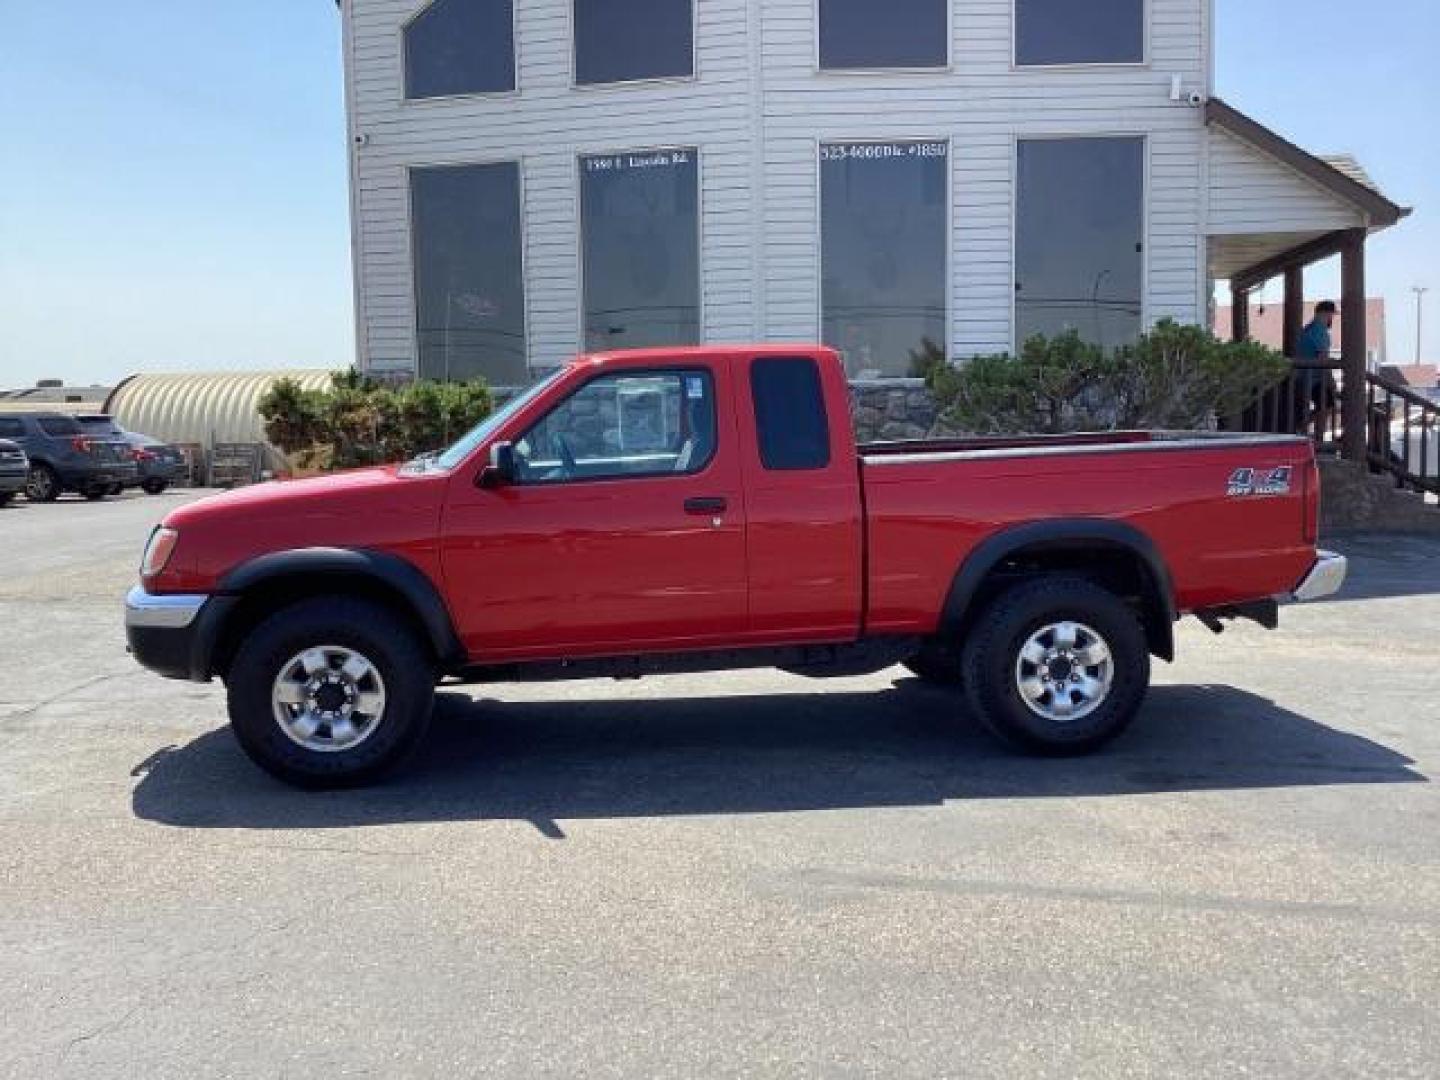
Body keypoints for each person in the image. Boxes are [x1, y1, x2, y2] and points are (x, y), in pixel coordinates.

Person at [1294, 300, 1338, 438]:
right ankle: (1317, 439)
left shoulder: (1307, 329)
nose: (1332, 319)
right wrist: (1331, 381)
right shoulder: (1320, 331)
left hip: (1302, 377)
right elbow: (1323, 359)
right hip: (1315, 379)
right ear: (1326, 314)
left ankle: (1301, 427)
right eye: (1332, 315)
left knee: (1323, 407)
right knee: (1326, 407)